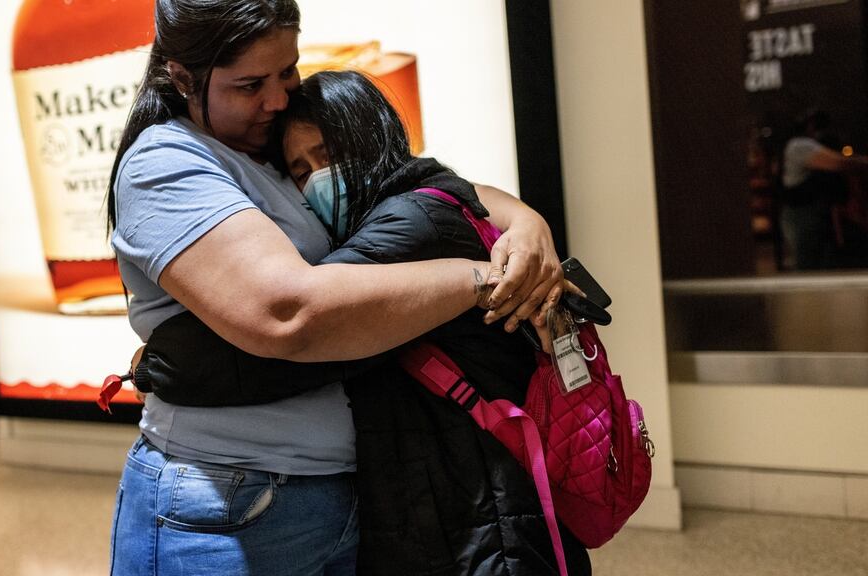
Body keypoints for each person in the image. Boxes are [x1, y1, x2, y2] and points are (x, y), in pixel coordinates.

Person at [107, 2, 565, 574]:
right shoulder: (169, 162)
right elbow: (289, 313)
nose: (276, 100)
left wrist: (525, 224)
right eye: (251, 84)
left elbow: (418, 184)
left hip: (339, 497)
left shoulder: (268, 145)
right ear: (181, 79)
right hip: (224, 502)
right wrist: (479, 280)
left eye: (286, 72)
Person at [779, 109, 868, 269]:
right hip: (803, 213)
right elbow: (840, 163)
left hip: (807, 212)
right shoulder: (799, 144)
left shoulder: (801, 144)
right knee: (809, 268)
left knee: (817, 265)